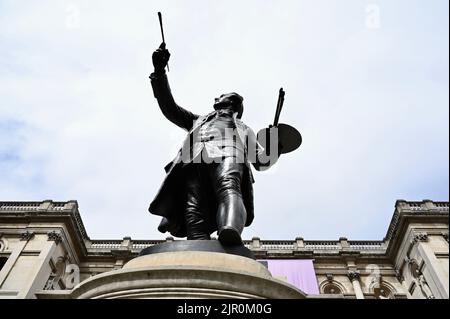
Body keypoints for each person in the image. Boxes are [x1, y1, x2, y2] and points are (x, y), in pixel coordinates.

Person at [148, 43, 280, 245]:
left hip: (230, 153)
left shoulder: (243, 128)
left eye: (221, 96)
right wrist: (159, 72)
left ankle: (229, 230)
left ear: (232, 103)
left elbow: (262, 162)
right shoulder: (198, 120)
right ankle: (198, 244)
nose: (216, 98)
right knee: (193, 207)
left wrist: (276, 145)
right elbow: (170, 109)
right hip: (193, 159)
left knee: (229, 187)